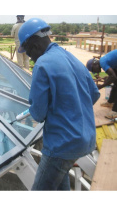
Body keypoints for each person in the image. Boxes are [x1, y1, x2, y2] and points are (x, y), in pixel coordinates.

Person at [18, 18, 100, 191]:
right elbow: (94, 94)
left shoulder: (42, 65)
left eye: (28, 51)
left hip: (61, 144)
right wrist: (69, 107)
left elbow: (38, 114)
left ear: (32, 44)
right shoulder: (71, 57)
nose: (30, 57)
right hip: (85, 139)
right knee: (59, 188)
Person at [86, 50, 117, 119]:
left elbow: (113, 76)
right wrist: (107, 80)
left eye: (94, 70)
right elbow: (113, 76)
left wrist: (101, 86)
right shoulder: (105, 60)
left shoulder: (103, 63)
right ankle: (110, 102)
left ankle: (115, 111)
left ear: (95, 65)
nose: (96, 72)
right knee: (115, 84)